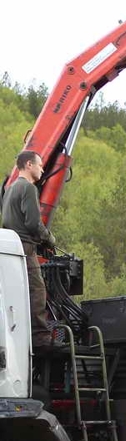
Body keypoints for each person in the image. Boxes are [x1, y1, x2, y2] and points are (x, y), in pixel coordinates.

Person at [2, 150, 55, 350]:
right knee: (37, 291)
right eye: (40, 165)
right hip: (25, 248)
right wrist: (49, 239)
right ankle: (40, 337)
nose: (42, 169)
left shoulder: (11, 189)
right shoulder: (28, 188)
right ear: (29, 165)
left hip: (12, 247)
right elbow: (33, 223)